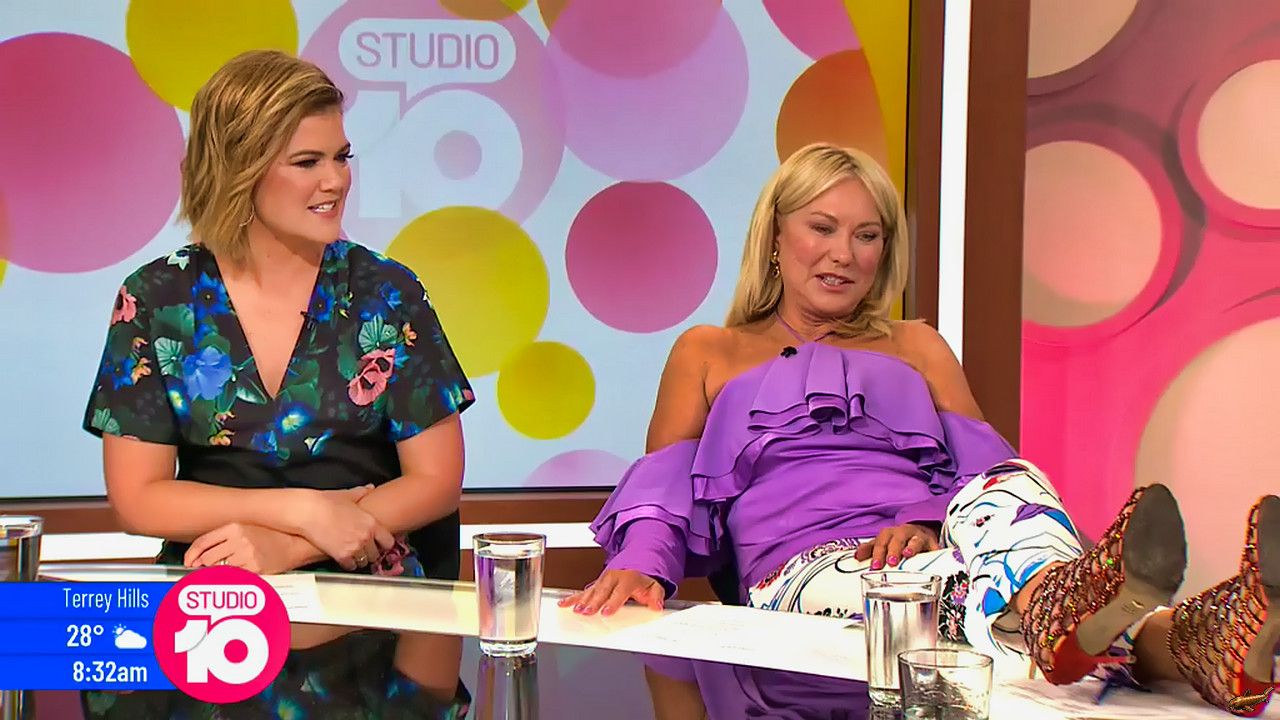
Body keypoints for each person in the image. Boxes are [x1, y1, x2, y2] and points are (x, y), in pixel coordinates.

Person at [562, 143, 1279, 717]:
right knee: (947, 593)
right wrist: (641, 566)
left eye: (867, 235)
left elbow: (983, 473)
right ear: (775, 236)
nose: (844, 254)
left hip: (936, 544)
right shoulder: (709, 351)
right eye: (822, 228)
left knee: (1012, 485)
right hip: (804, 567)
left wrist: (928, 519)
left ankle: (1129, 626)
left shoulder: (917, 345)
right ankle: (1181, 636)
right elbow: (664, 484)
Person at [82, 50, 474, 718]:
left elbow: (437, 480)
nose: (336, 180)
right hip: (211, 613)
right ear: (239, 169)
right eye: (307, 161)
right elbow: (138, 498)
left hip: (376, 610)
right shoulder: (157, 297)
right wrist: (303, 510)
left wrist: (293, 545)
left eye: (342, 157)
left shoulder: (386, 292)